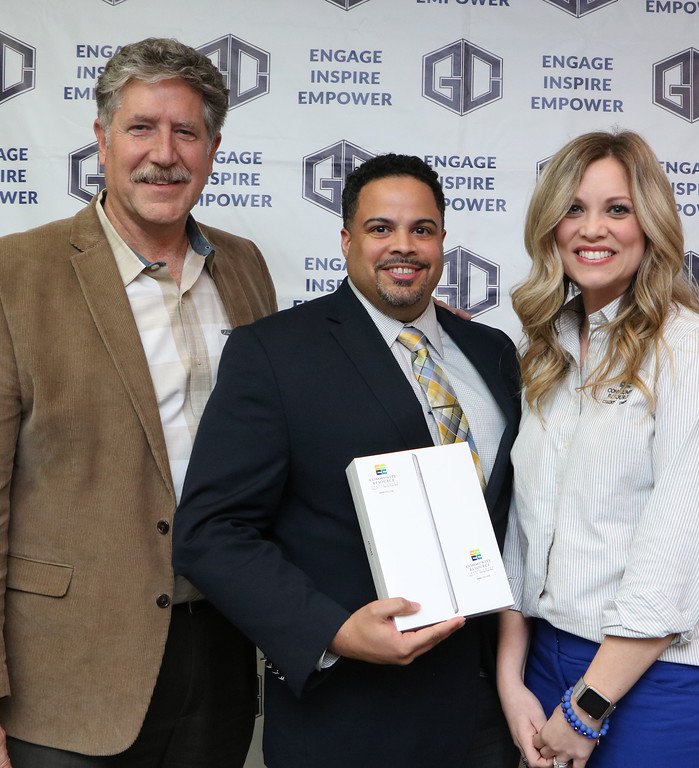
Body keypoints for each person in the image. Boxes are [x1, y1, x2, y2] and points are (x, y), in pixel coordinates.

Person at [172, 154, 521, 767]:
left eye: (422, 229)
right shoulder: (275, 353)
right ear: (346, 240)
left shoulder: (491, 352)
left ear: (442, 240)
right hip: (353, 720)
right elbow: (210, 533)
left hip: (490, 710)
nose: (403, 247)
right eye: (380, 228)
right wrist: (331, 631)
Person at [0, 38, 277, 766]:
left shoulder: (244, 268)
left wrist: (415, 331)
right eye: (141, 127)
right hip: (65, 679)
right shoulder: (16, 274)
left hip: (220, 653)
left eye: (186, 131)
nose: (165, 152)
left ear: (213, 147)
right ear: (101, 138)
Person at [498, 131, 699, 768]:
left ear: (651, 225)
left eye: (617, 209)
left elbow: (679, 547)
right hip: (545, 665)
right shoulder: (547, 352)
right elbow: (522, 536)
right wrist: (511, 681)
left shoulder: (688, 347)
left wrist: (588, 706)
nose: (593, 229)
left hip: (667, 679)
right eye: (574, 209)